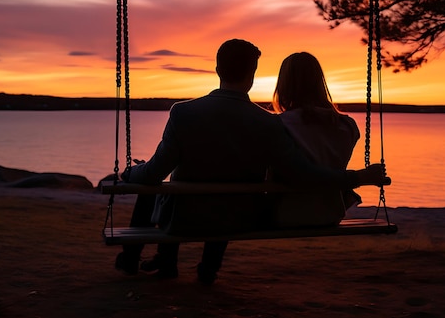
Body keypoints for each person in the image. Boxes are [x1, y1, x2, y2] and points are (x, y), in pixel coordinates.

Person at [115, 39, 389, 285]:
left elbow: (154, 172)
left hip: (183, 221)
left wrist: (129, 173)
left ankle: (136, 259)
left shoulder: (183, 112)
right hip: (240, 219)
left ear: (218, 69)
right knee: (227, 181)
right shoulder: (268, 122)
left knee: (149, 183)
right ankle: (206, 270)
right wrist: (358, 177)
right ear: (253, 74)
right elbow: (299, 172)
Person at [269, 51, 362, 228]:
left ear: (284, 84)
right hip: (330, 214)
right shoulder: (349, 126)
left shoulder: (279, 124)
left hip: (287, 213)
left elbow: (296, 174)